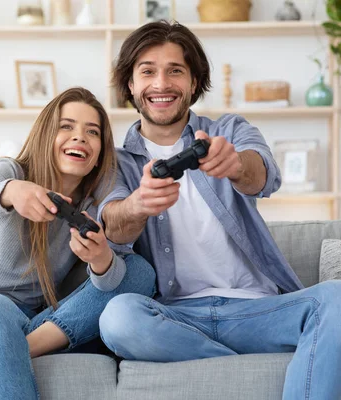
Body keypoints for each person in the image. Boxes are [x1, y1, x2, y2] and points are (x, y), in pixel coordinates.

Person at [97, 20, 341, 400]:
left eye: (175, 70)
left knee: (337, 298)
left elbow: (264, 173)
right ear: (130, 84)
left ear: (194, 82)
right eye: (148, 71)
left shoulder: (228, 130)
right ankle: (236, 362)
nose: (161, 84)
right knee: (117, 317)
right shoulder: (115, 161)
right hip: (175, 316)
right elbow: (112, 224)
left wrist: (237, 166)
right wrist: (138, 204)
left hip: (258, 311)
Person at [0, 87, 156, 400]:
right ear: (46, 134)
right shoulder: (11, 172)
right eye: (66, 126)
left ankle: (11, 347)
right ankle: (4, 344)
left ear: (100, 149)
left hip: (33, 321)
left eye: (92, 131)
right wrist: (11, 192)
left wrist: (101, 261)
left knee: (138, 270)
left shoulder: (94, 201)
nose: (80, 137)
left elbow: (116, 279)